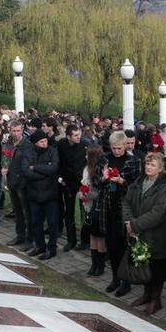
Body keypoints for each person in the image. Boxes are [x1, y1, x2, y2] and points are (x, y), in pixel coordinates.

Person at [122, 152, 166, 315]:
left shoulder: (165, 190)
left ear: (160, 169)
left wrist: (135, 225)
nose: (148, 167)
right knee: (143, 265)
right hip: (139, 235)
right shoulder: (138, 183)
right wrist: (129, 223)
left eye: (152, 165)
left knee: (157, 269)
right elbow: (126, 203)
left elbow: (157, 214)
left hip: (157, 237)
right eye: (147, 164)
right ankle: (146, 295)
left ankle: (155, 300)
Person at [101, 131, 141, 297]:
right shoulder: (104, 159)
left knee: (125, 246)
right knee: (112, 246)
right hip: (108, 206)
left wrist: (121, 181)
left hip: (125, 208)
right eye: (113, 148)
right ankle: (115, 278)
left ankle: (126, 281)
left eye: (119, 148)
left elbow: (137, 185)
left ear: (126, 145)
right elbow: (96, 181)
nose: (116, 151)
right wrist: (103, 179)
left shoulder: (134, 161)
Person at [21, 129, 61, 260]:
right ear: (35, 143)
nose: (44, 144)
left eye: (45, 141)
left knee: (52, 223)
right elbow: (26, 171)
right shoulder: (28, 153)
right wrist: (44, 174)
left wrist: (36, 167)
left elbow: (54, 168)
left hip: (50, 193)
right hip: (34, 193)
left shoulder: (52, 151)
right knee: (35, 222)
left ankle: (52, 248)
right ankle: (39, 245)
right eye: (41, 142)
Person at [57, 124, 87, 251]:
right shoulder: (61, 144)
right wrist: (60, 178)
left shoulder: (85, 145)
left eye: (79, 134)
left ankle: (85, 241)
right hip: (67, 182)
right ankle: (71, 240)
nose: (78, 137)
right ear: (68, 136)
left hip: (81, 182)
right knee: (69, 212)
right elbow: (58, 161)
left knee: (84, 212)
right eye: (75, 135)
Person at [3, 120, 31, 249]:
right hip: (11, 180)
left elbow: (28, 166)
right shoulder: (8, 143)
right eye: (13, 131)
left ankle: (29, 238)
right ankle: (20, 235)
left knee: (26, 212)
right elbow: (4, 159)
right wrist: (3, 168)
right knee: (18, 211)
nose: (16, 134)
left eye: (18, 131)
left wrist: (22, 181)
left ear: (22, 130)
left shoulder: (27, 145)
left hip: (22, 183)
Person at [81, 144, 107, 276]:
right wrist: (82, 194)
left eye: (87, 154)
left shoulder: (99, 170)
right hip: (88, 206)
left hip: (97, 207)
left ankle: (100, 264)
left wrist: (88, 194)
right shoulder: (86, 169)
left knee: (99, 236)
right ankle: (94, 263)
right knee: (92, 235)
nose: (85, 156)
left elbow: (98, 190)